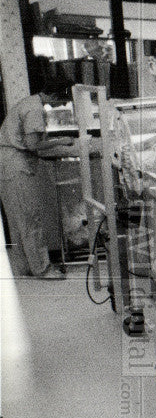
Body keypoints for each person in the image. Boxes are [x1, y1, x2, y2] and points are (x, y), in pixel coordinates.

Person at [0, 75, 79, 279]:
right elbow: (33, 145)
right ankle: (43, 268)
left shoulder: (29, 102)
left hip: (7, 164)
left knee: (17, 221)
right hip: (16, 166)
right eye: (62, 100)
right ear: (54, 95)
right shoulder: (35, 109)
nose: (62, 104)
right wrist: (62, 141)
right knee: (29, 219)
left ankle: (25, 267)